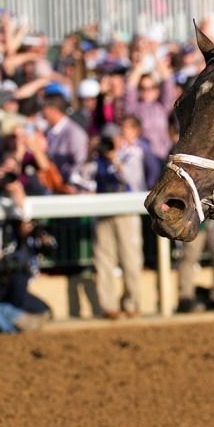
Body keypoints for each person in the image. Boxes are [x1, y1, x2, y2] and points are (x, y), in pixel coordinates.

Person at [92, 121, 150, 319]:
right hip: (103, 211)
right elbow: (82, 176)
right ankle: (108, 306)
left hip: (126, 210)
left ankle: (131, 302)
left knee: (130, 259)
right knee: (103, 260)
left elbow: (130, 178)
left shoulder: (132, 154)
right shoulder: (96, 158)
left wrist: (114, 159)